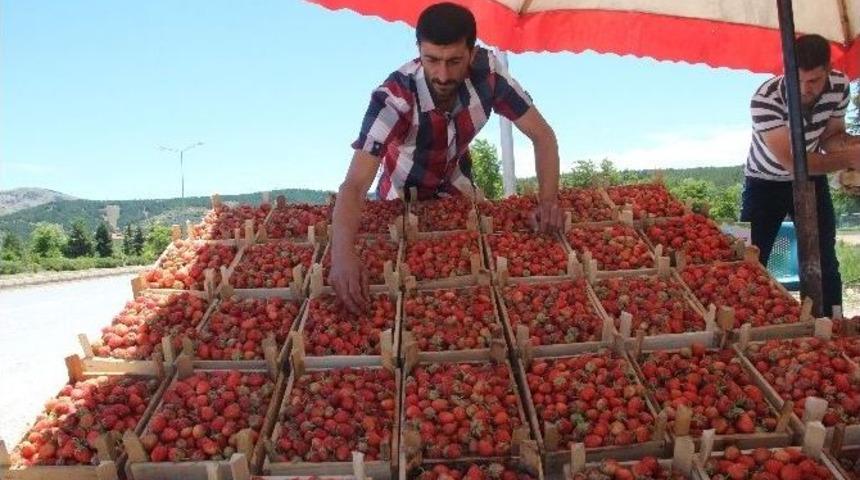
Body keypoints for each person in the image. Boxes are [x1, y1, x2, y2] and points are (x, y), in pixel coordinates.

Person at [328, 2, 562, 312]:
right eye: (432, 60)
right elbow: (355, 185)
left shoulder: (488, 75)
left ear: (471, 51)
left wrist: (548, 203)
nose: (442, 74)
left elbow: (543, 136)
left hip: (456, 187)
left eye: (454, 61)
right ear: (418, 51)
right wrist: (341, 255)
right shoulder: (394, 98)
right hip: (400, 198)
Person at [741, 33, 860, 316]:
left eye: (814, 81)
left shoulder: (840, 87)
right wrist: (851, 157)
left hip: (812, 179)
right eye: (798, 80)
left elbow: (830, 137)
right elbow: (794, 163)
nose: (805, 89)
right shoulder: (764, 99)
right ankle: (750, 325)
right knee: (751, 259)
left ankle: (831, 325)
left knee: (824, 258)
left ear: (828, 72)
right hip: (764, 182)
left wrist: (852, 143)